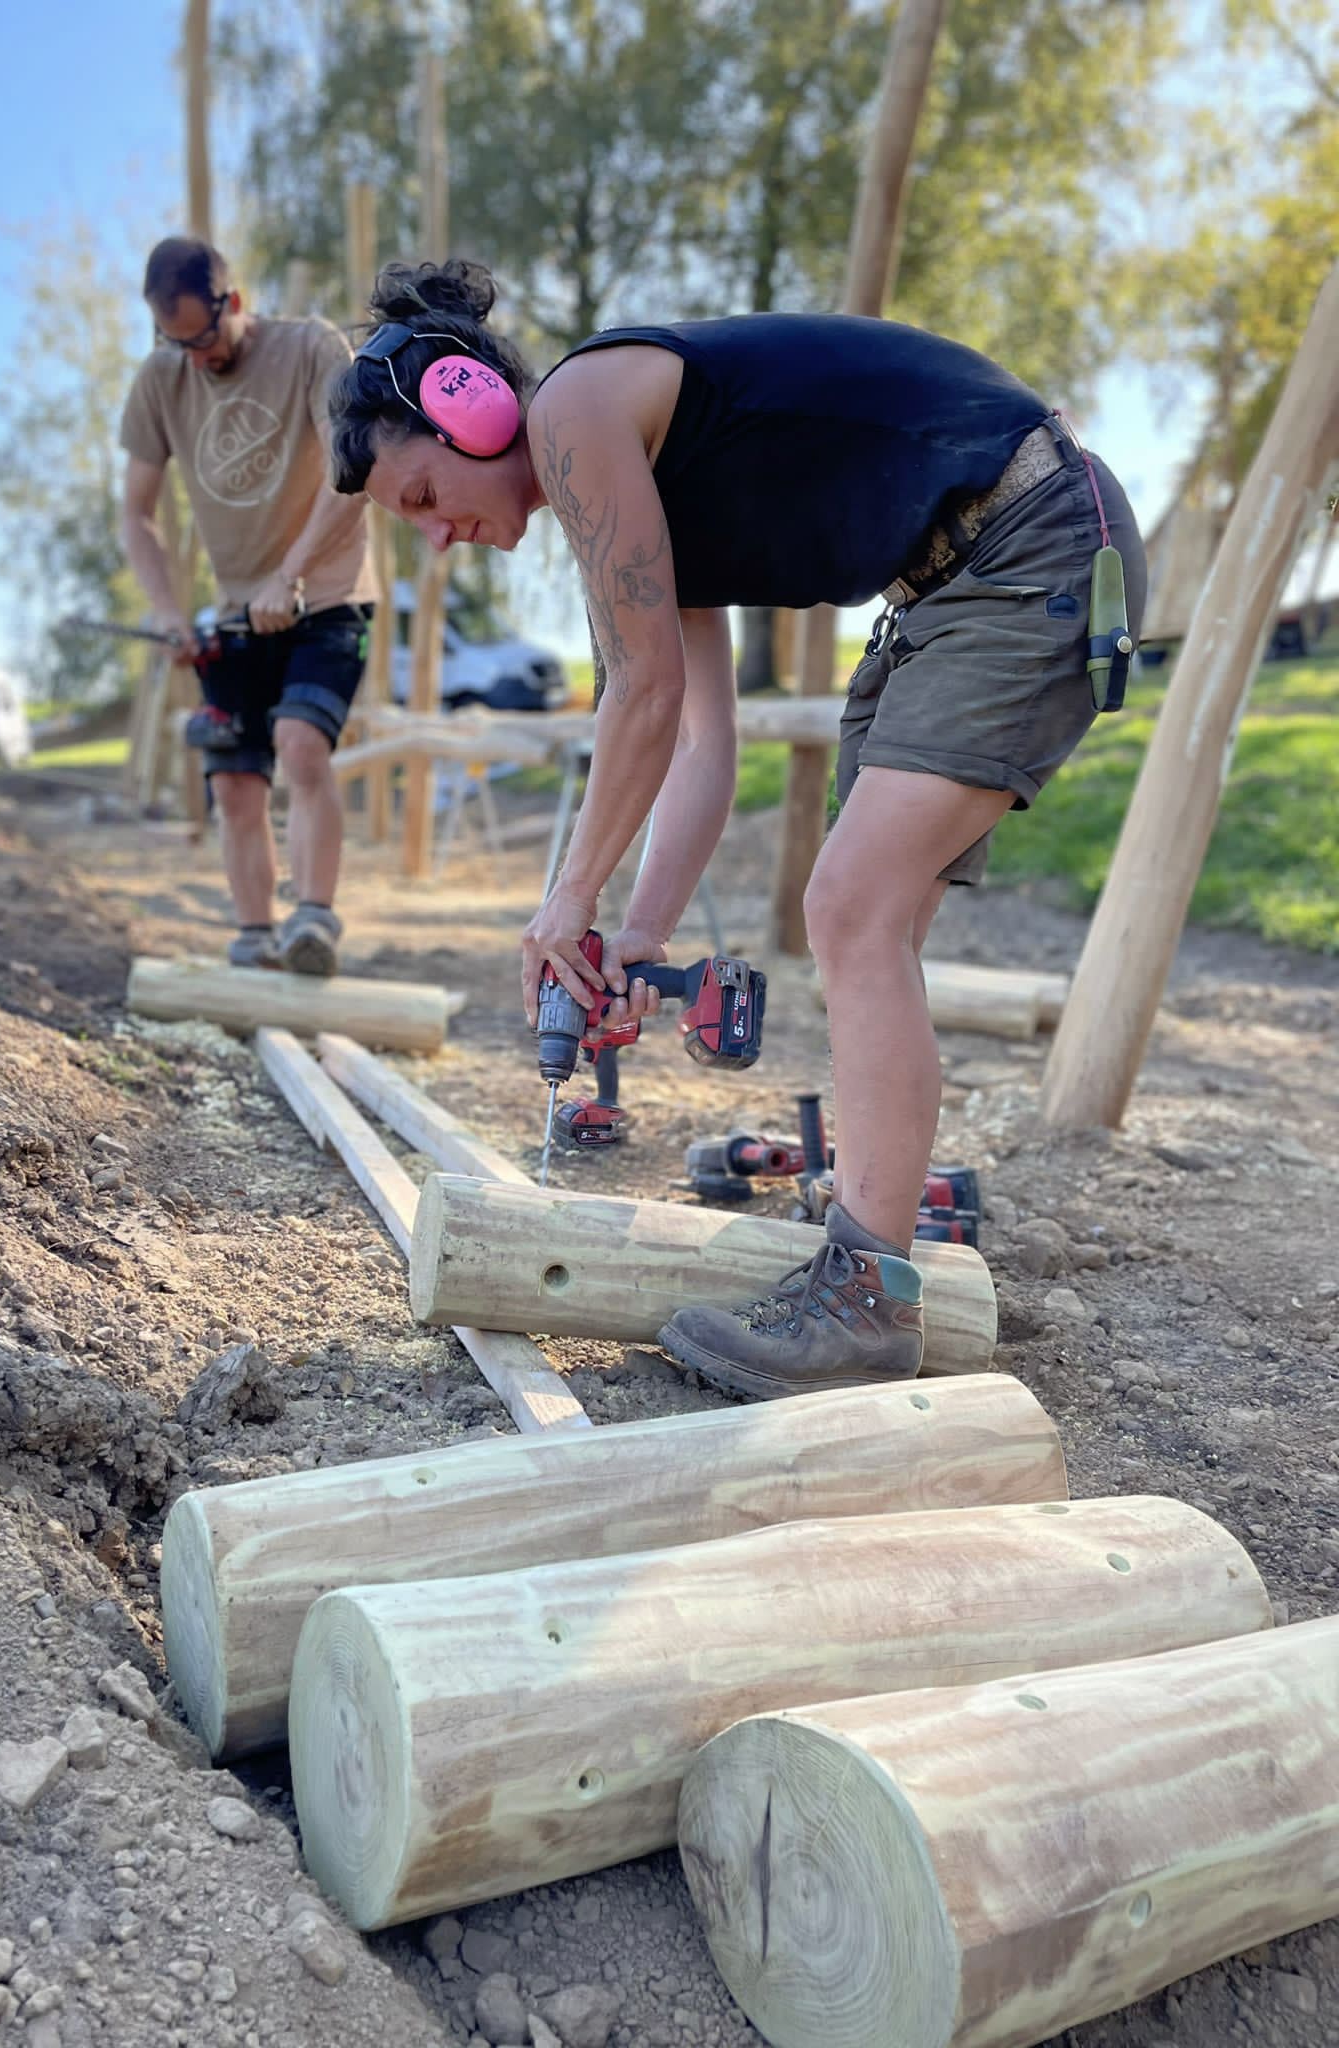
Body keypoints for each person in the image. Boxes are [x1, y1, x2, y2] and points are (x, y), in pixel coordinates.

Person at [326, 258, 1147, 1396]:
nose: (437, 537)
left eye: (418, 499)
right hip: (953, 583)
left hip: (1024, 545)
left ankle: (862, 1306)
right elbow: (701, 741)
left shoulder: (577, 412)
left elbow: (642, 697)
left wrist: (567, 901)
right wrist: (640, 935)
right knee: (873, 923)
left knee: (849, 907)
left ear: (467, 406)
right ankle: (872, 1270)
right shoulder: (630, 482)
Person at [120, 236, 375, 974]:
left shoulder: (309, 349)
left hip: (325, 596)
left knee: (299, 742)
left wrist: (289, 576)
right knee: (232, 781)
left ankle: (315, 922)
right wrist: (169, 608)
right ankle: (255, 939)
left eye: (202, 337)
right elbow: (135, 513)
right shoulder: (162, 377)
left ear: (232, 303)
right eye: (173, 342)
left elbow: (351, 472)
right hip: (234, 611)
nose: (193, 357)